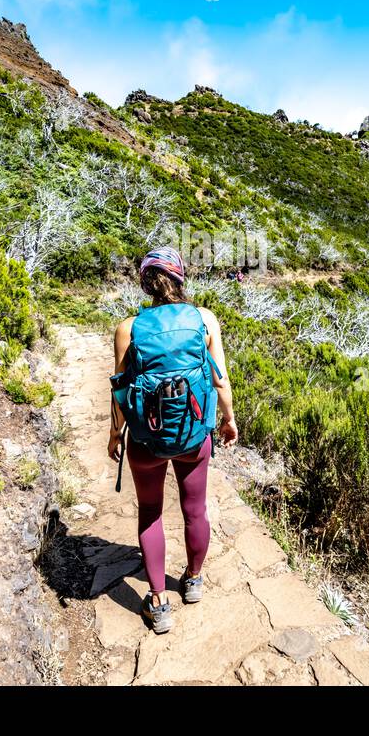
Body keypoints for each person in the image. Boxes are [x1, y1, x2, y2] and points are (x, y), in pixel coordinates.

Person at [108, 246, 238, 633]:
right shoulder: (204, 319)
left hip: (146, 441)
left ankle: (159, 602)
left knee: (150, 512)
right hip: (194, 435)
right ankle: (193, 581)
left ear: (146, 283)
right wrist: (228, 419)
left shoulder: (128, 328)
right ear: (181, 279)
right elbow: (220, 380)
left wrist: (115, 434)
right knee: (194, 509)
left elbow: (119, 389)